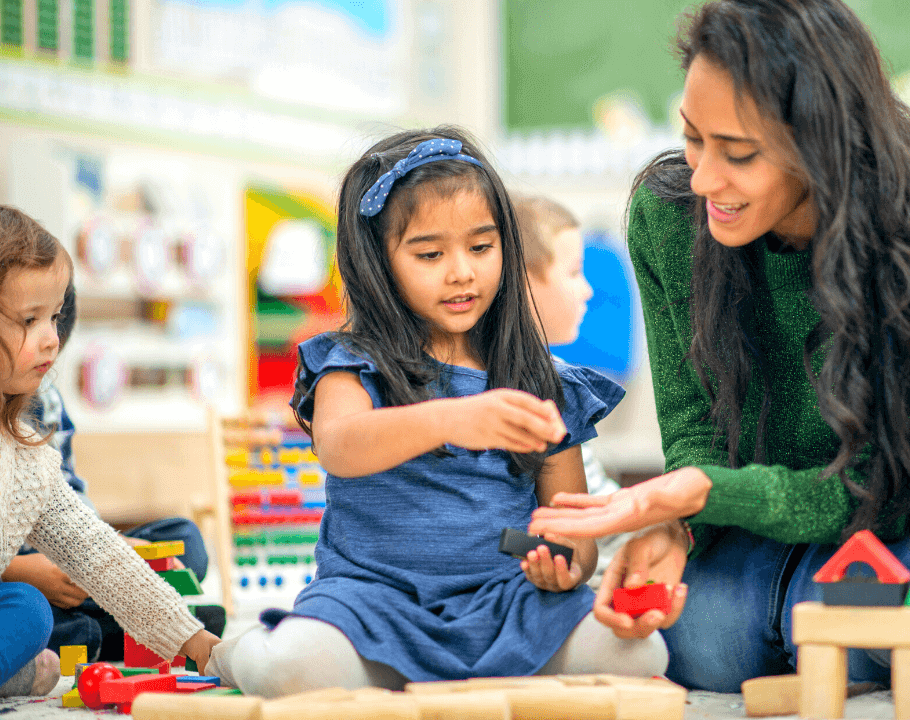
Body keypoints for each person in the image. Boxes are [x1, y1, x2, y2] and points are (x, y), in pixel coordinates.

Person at [529, 0, 910, 693]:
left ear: (824, 148)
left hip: (897, 515)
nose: (704, 178)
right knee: (708, 641)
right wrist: (675, 525)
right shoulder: (670, 215)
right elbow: (693, 429)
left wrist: (698, 496)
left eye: (738, 153)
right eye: (692, 138)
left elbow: (891, 485)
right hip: (750, 521)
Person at [205, 127, 667, 698]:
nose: (461, 272)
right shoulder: (351, 363)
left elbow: (573, 530)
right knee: (293, 670)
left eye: (481, 247)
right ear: (379, 262)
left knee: (642, 652)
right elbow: (341, 446)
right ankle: (235, 652)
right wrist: (453, 418)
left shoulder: (544, 380)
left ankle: (434, 675)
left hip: (506, 601)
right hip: (373, 599)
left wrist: (564, 562)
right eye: (429, 254)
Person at [0, 205, 219, 697]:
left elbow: (95, 553)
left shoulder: (21, 455)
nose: (53, 339)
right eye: (30, 320)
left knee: (25, 612)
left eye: (53, 317)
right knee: (29, 609)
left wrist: (195, 641)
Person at [514, 195, 630, 588]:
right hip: (589, 577)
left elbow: (599, 511)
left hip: (607, 555)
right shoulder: (536, 385)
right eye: (575, 272)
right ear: (522, 281)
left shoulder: (552, 378)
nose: (588, 291)